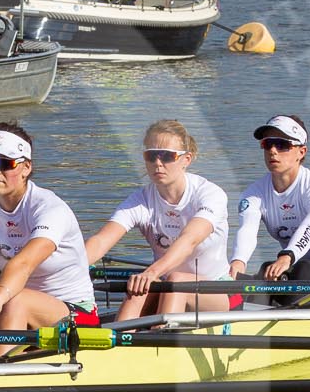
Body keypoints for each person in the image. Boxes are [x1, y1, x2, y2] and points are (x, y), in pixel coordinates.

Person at [0, 124, 99, 358]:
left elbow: (24, 263)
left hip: (75, 313)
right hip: (17, 305)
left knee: (15, 301)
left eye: (5, 163)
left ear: (26, 167)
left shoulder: (50, 208)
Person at [83, 121, 231, 319]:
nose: (158, 163)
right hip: (165, 285)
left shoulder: (210, 194)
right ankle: (120, 342)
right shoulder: (140, 199)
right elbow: (102, 240)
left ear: (186, 159)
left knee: (175, 281)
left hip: (218, 291)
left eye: (167, 156)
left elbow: (189, 241)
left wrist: (152, 273)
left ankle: (159, 340)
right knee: (138, 288)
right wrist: (71, 267)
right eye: (151, 155)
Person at [228, 116, 310, 285]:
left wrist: (288, 255)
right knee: (265, 270)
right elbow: (247, 230)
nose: (273, 151)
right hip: (297, 267)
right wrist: (238, 262)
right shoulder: (254, 193)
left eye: (282, 144)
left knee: (304, 269)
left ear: (301, 152)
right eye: (267, 144)